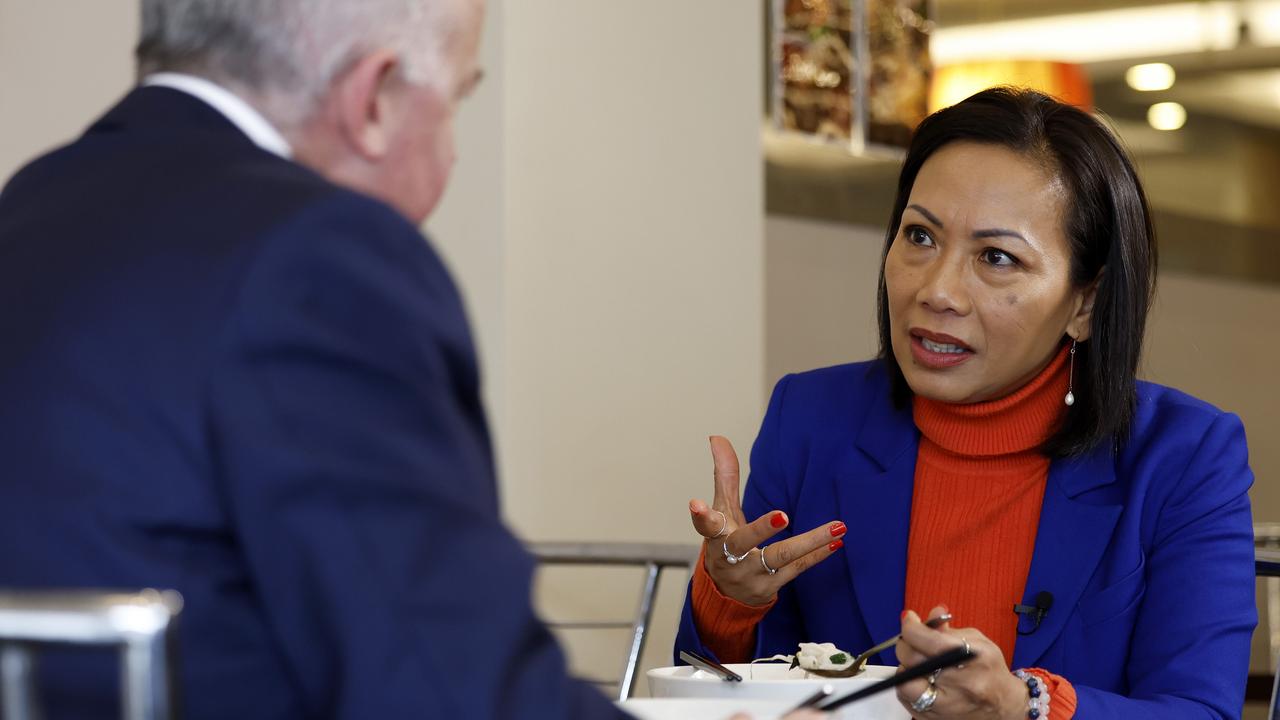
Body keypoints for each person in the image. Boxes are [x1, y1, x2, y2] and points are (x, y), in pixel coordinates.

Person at [0, 1, 642, 718]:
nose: (455, 151)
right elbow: (451, 691)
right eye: (458, 98)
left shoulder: (28, 207)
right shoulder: (317, 260)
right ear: (374, 98)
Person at [677, 87, 1256, 719]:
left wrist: (1028, 707)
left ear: (1086, 304)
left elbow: (1204, 711)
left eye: (997, 257)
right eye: (920, 236)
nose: (938, 290)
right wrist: (731, 601)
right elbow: (727, 689)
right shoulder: (812, 417)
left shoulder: (1185, 454)